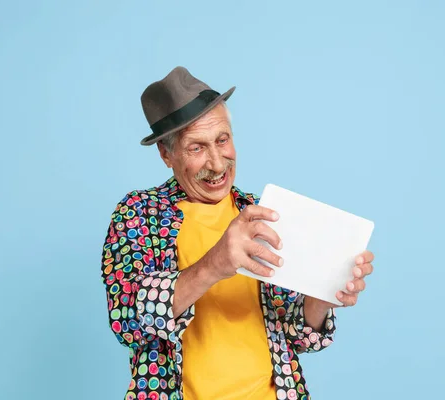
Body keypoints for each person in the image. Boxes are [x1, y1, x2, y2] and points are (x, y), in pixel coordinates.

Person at [100, 66, 375, 400]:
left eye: (222, 140)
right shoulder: (138, 214)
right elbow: (128, 318)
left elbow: (297, 335)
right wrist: (215, 263)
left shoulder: (260, 212)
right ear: (166, 154)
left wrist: (321, 295)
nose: (217, 164)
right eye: (196, 148)